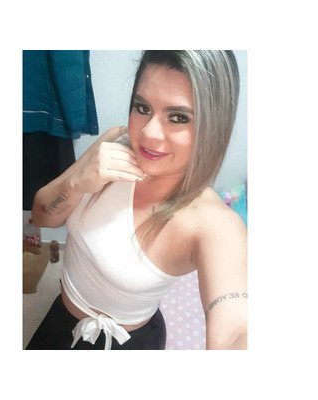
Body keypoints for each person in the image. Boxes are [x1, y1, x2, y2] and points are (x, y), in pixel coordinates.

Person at [26, 50, 247, 350]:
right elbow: (42, 216)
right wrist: (77, 181)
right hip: (60, 320)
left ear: (213, 127)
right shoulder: (114, 143)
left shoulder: (216, 224)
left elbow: (235, 329)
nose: (148, 133)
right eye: (142, 108)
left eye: (178, 118)